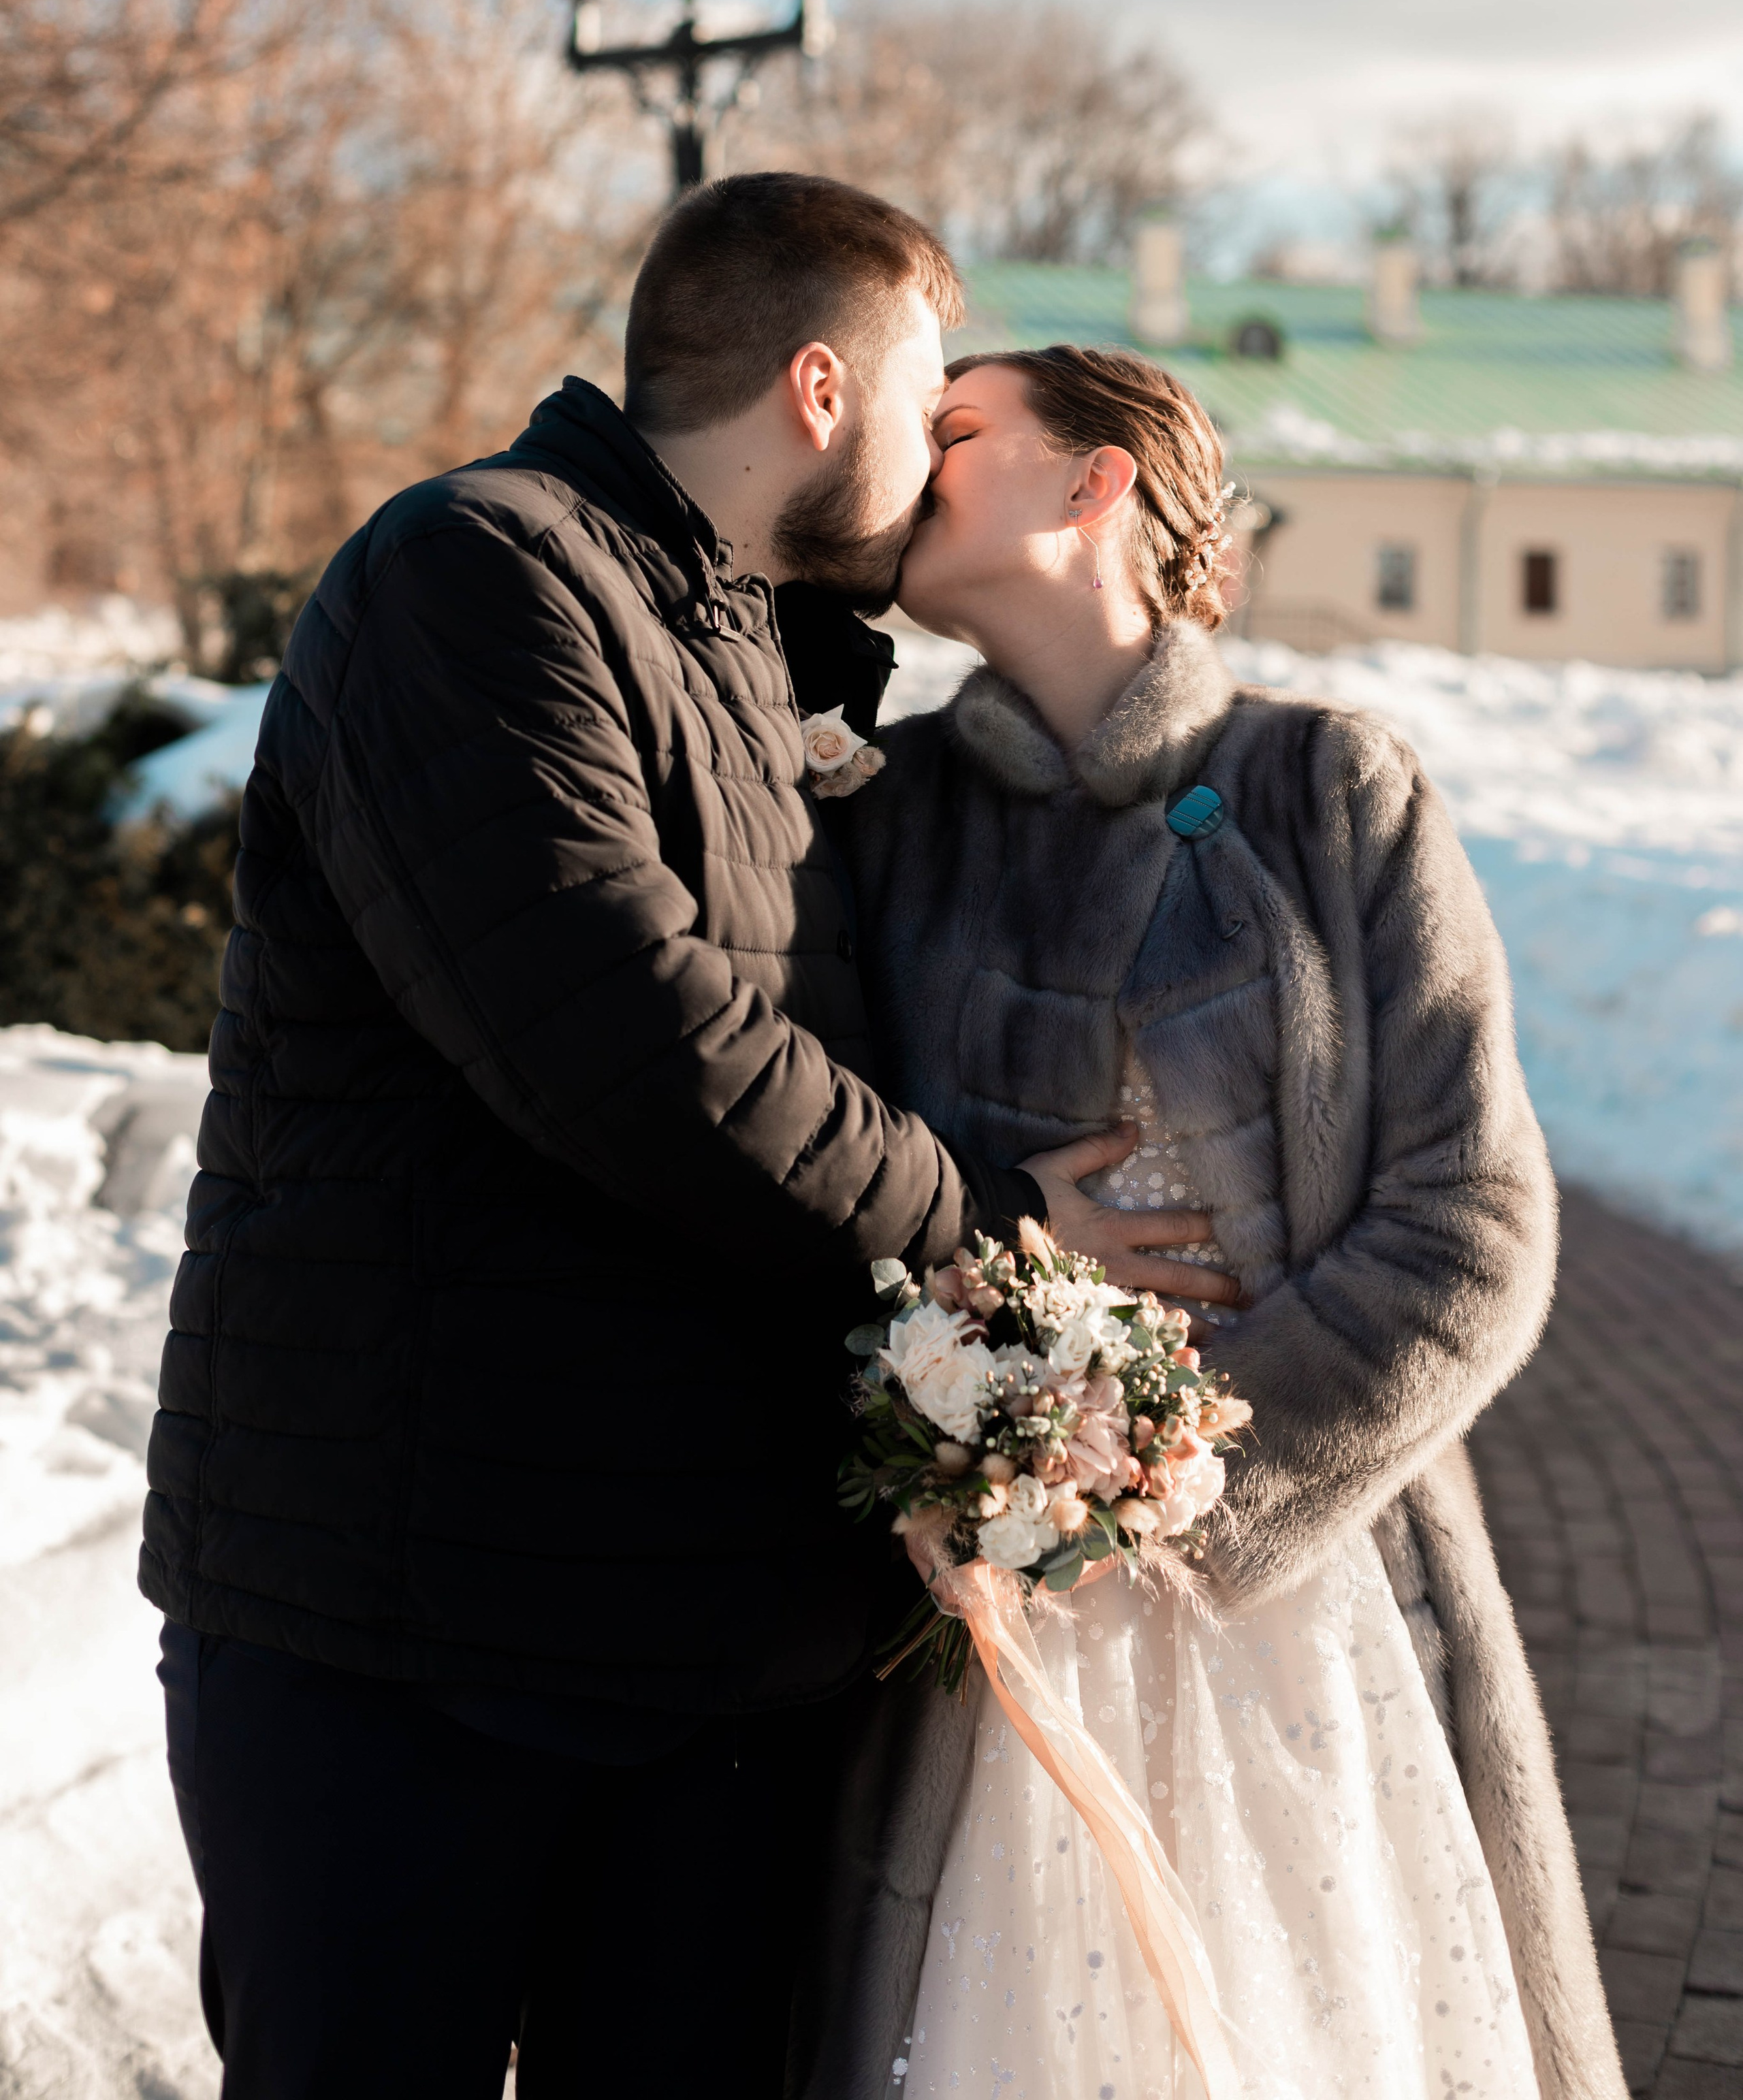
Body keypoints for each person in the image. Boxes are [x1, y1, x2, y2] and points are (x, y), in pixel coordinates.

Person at [138, 180, 1155, 2100]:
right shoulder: (475, 571)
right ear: (820, 386)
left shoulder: (764, 668)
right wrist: (993, 1228)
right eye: (926, 404)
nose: (941, 462)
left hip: (703, 1664)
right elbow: (631, 1040)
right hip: (408, 1640)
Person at [807, 345, 1626, 2100]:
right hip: (980, 1631)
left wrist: (1184, 1475)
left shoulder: (1332, 790)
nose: (904, 461)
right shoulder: (881, 826)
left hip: (1305, 1608)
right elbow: (826, 1184)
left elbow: (1476, 1224)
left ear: (1099, 484)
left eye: (954, 431)